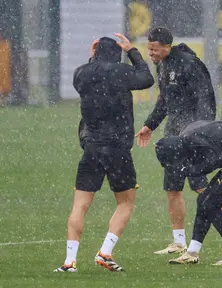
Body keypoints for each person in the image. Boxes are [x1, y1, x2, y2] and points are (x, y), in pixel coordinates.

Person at [135, 27, 222, 254]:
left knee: (202, 187)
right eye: (149, 49)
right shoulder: (162, 65)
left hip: (192, 136)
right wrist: (149, 125)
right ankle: (178, 241)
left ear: (166, 46)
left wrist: (201, 131)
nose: (151, 53)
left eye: (154, 49)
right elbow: (165, 101)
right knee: (172, 187)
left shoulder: (190, 64)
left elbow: (206, 99)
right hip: (173, 135)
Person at [54, 34, 154, 272]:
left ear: (95, 52)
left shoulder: (81, 73)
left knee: (80, 205)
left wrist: (92, 57)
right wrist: (132, 51)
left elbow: (90, 73)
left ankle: (69, 261)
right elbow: (147, 78)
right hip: (118, 148)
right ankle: (105, 252)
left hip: (92, 148)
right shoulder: (122, 72)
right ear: (117, 53)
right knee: (126, 202)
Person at [155, 120, 222, 265]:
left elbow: (214, 160)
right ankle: (192, 253)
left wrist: (189, 170)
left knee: (210, 203)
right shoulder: (188, 137)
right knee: (203, 201)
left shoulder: (198, 142)